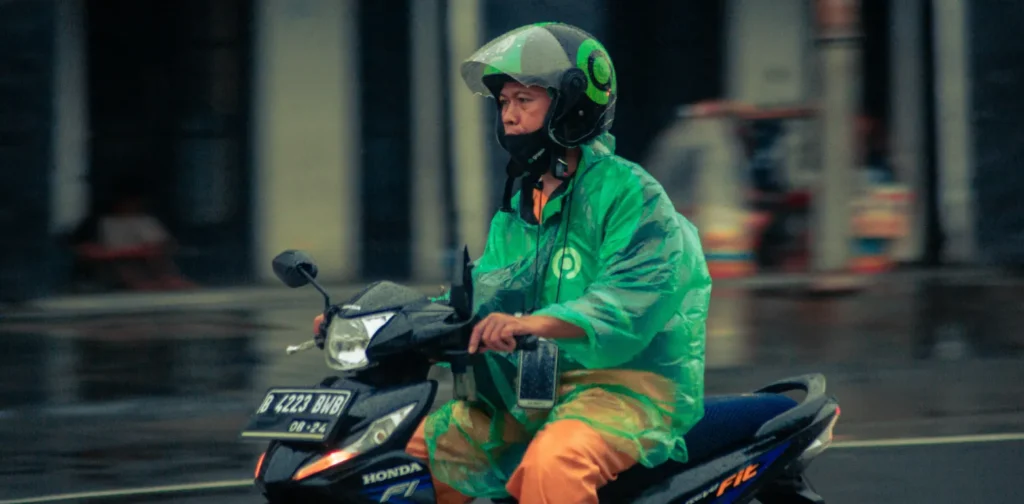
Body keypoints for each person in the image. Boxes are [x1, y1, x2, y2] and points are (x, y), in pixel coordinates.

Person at [315, 23, 711, 503]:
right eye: (503, 103)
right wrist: (376, 327)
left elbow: (631, 299)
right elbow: (486, 294)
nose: (509, 116)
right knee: (399, 461)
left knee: (554, 466)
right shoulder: (521, 205)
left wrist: (535, 324)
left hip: (621, 390)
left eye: (525, 99)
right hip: (524, 396)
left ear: (572, 103)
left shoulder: (630, 194)